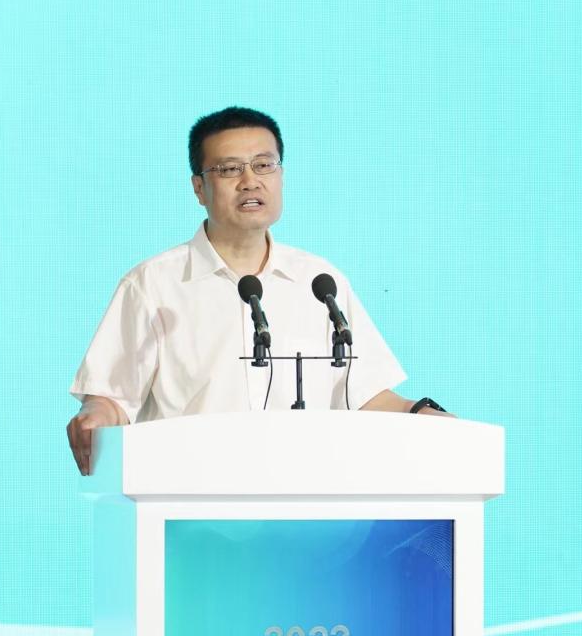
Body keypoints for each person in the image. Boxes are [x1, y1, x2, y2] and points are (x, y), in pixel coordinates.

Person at [67, 106, 454, 475]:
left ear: (281, 176)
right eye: (229, 169)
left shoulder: (320, 283)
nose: (250, 180)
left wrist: (420, 413)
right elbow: (111, 398)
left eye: (264, 165)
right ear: (199, 188)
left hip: (304, 496)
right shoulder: (153, 284)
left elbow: (367, 396)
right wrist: (95, 416)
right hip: (189, 497)